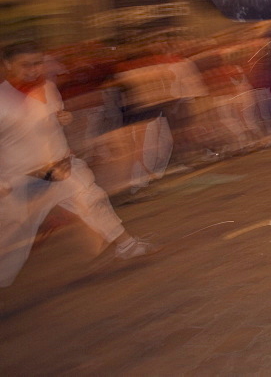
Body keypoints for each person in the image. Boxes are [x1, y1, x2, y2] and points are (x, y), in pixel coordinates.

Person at [0, 41, 156, 288]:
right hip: (22, 180)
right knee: (10, 240)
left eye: (37, 63)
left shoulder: (48, 87)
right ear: (7, 65)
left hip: (61, 168)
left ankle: (126, 245)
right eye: (25, 65)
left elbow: (51, 123)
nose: (32, 70)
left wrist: (65, 119)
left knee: (93, 200)